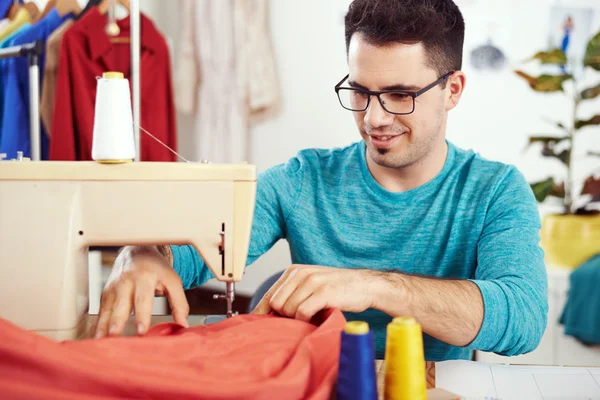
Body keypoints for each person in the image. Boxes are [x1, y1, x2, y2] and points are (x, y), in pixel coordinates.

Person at [94, 0, 548, 361]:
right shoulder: (302, 179)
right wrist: (146, 254)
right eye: (360, 91)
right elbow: (200, 247)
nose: (374, 118)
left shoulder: (495, 191)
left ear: (453, 90)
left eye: (400, 95)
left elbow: (523, 319)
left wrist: (373, 285)